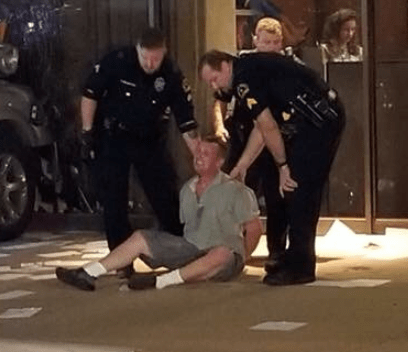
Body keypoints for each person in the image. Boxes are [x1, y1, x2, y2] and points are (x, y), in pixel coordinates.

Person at [199, 50, 345, 285]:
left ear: (226, 65)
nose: (215, 86)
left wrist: (283, 166)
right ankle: (295, 255)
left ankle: (302, 265)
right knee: (293, 190)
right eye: (210, 83)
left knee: (299, 188)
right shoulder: (250, 69)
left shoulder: (244, 80)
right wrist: (243, 164)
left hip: (318, 120)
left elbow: (268, 127)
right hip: (311, 119)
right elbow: (262, 126)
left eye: (215, 78)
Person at [55, 136, 263, 291]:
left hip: (223, 258)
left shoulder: (236, 190)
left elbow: (254, 229)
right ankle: (89, 272)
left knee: (222, 253)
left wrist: (242, 257)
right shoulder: (187, 190)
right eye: (198, 153)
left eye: (206, 154)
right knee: (140, 237)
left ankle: (161, 281)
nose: (199, 157)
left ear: (219, 162)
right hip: (190, 250)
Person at [79, 27, 199, 277]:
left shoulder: (171, 74)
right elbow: (90, 94)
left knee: (164, 195)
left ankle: (182, 250)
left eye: (156, 58)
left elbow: (186, 121)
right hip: (114, 137)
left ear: (164, 52)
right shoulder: (118, 61)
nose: (150, 63)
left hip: (149, 140)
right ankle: (122, 261)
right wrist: (87, 132)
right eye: (146, 57)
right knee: (114, 201)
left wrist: (199, 155)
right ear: (138, 50)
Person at [213, 17, 294, 272]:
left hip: (273, 141)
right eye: (265, 42)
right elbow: (220, 99)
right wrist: (218, 125)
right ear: (254, 41)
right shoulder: (242, 66)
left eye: (274, 42)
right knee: (233, 192)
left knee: (276, 198)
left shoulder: (288, 67)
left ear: (281, 43)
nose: (269, 47)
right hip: (242, 136)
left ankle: (277, 253)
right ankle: (226, 248)